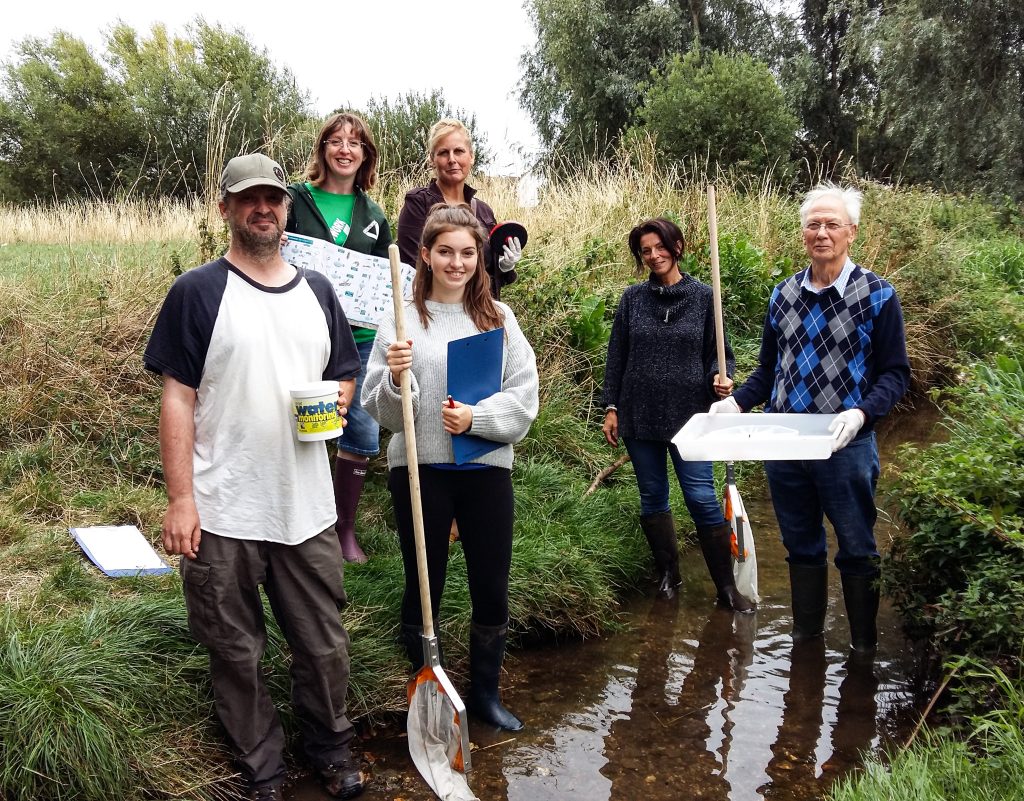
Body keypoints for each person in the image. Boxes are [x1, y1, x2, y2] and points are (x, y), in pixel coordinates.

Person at [144, 153, 365, 801]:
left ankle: (329, 744)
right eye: (247, 198)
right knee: (235, 651)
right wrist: (181, 497)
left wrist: (341, 398)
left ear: (287, 206)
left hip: (307, 505)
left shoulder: (320, 291)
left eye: (272, 197)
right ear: (226, 210)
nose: (261, 207)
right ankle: (264, 764)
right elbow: (177, 396)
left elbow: (345, 370)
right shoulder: (197, 291)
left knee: (323, 644)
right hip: (223, 508)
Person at [710, 183, 910, 653]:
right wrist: (737, 402)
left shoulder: (878, 296)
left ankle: (863, 651)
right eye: (813, 225)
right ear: (803, 233)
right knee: (801, 547)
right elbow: (768, 369)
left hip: (846, 445)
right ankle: (806, 645)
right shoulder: (783, 295)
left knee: (858, 548)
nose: (821, 233)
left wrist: (862, 413)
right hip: (785, 444)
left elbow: (895, 373)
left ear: (851, 233)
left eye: (831, 224)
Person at [362, 204, 539, 731]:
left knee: (491, 582)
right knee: (425, 581)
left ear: (479, 257)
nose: (456, 263)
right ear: (426, 255)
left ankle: (485, 694)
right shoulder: (400, 319)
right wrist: (396, 381)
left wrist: (476, 418)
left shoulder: (499, 319)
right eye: (445, 252)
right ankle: (425, 689)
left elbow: (525, 398)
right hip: (420, 469)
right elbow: (381, 410)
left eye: (466, 253)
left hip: (486, 468)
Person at [602, 218, 754, 611]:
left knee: (701, 497)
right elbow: (617, 357)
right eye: (645, 251)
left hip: (691, 417)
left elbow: (720, 358)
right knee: (653, 497)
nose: (653, 256)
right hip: (639, 413)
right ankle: (669, 575)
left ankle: (725, 588)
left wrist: (721, 379)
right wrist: (612, 407)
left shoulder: (706, 297)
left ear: (677, 246)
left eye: (659, 247)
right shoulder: (632, 299)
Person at [286, 112, 393, 564]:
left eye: (355, 142)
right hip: (305, 333)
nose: (345, 149)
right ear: (323, 149)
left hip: (363, 338)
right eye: (336, 141)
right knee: (305, 423)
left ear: (366, 154)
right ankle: (300, 526)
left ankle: (343, 530)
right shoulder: (295, 199)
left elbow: (390, 277)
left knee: (362, 429)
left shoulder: (374, 214)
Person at [396, 119, 522, 299]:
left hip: (482, 316)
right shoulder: (418, 203)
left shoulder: (484, 211)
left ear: (471, 156)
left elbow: (491, 277)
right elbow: (412, 267)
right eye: (443, 153)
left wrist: (503, 266)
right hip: (437, 314)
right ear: (432, 159)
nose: (452, 159)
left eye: (459, 151)